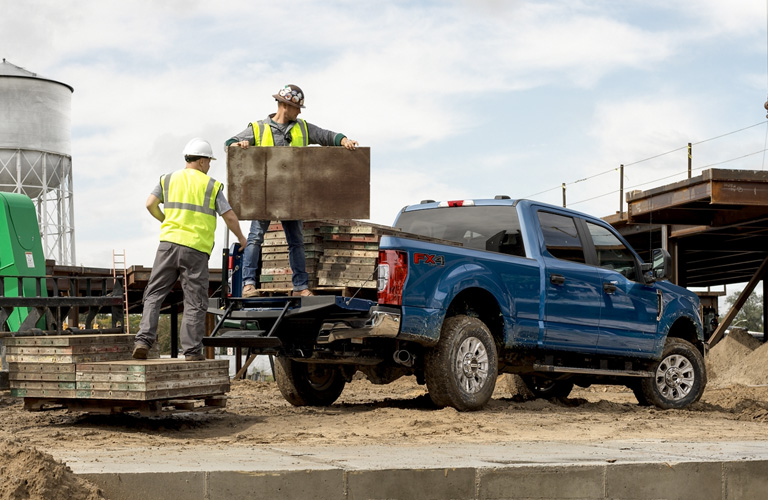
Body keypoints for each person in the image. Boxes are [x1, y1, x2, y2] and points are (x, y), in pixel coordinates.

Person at [226, 84, 358, 298]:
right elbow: (229, 143)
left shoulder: (303, 128)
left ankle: (300, 287)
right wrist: (237, 145)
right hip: (266, 194)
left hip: (292, 196)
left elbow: (325, 135)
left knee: (295, 241)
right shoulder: (258, 128)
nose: (299, 112)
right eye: (298, 108)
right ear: (286, 106)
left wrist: (344, 140)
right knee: (256, 238)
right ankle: (249, 284)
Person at [133, 138, 248, 361]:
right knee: (194, 301)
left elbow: (149, 204)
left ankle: (143, 341)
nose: (209, 166)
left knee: (154, 294)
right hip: (195, 249)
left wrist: (166, 220)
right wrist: (242, 239)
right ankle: (192, 352)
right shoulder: (211, 185)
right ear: (203, 161)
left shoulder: (168, 179)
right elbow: (229, 216)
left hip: (168, 244)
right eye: (209, 162)